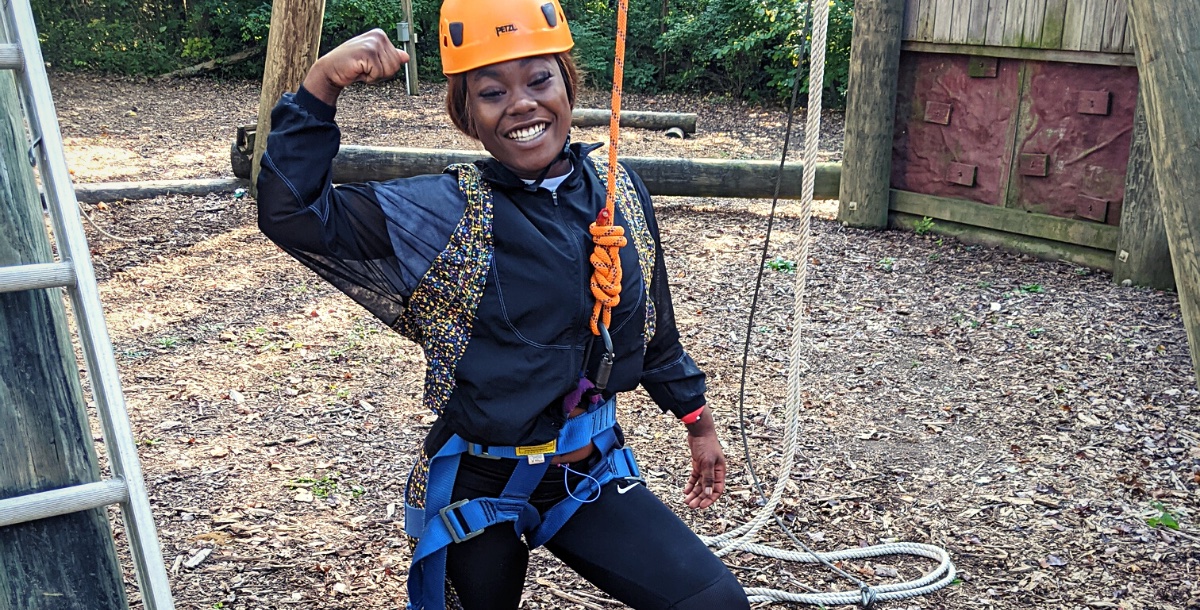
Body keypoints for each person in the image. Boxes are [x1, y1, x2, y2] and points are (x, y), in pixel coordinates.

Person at [255, 1, 749, 608]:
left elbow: (651, 328)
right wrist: (321, 85)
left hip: (587, 471)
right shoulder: (448, 213)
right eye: (492, 93)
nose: (522, 104)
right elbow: (294, 214)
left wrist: (696, 420)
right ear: (468, 116)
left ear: (568, 83)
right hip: (481, 481)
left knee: (713, 602)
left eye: (540, 80)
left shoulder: (616, 190)